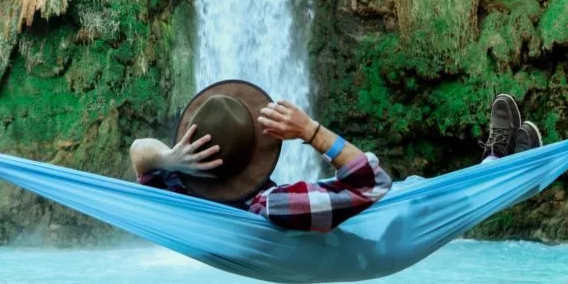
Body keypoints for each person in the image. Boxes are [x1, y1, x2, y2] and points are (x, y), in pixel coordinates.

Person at [130, 82, 542, 232]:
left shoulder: (179, 189)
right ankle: (511, 180)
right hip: (383, 226)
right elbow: (374, 184)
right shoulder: (272, 207)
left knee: (418, 189)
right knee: (419, 197)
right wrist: (309, 130)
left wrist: (169, 158)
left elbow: (139, 153)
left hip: (363, 209)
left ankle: (495, 167)